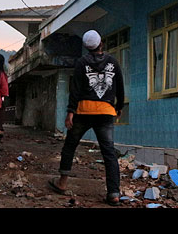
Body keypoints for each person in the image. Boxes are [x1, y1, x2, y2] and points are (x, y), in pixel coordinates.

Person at [49, 30, 125, 206]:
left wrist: (70, 113)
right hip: (105, 112)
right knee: (109, 153)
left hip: (83, 112)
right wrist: (118, 107)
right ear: (101, 44)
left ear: (86, 47)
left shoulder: (81, 63)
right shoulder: (113, 62)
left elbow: (75, 90)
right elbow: (119, 86)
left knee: (70, 146)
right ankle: (113, 194)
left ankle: (62, 183)